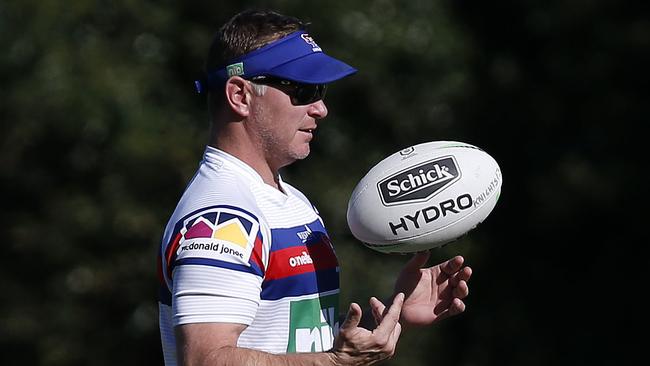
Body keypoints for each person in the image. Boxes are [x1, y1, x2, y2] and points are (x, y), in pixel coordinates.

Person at [157, 9, 472, 366]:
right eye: (302, 89)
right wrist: (336, 362)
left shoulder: (290, 201)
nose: (321, 108)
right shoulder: (222, 217)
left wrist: (393, 314)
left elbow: (299, 344)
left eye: (319, 90)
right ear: (240, 95)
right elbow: (204, 359)